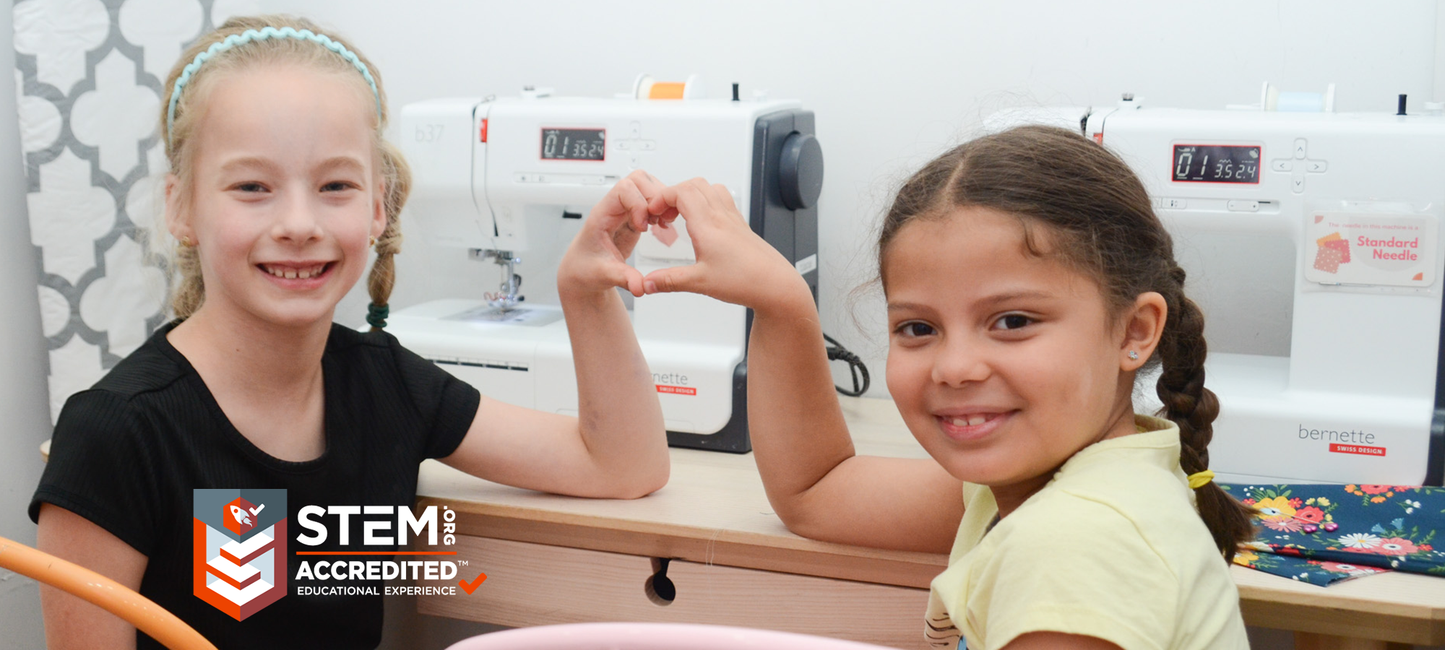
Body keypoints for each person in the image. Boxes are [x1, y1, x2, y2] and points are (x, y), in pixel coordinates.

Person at [30, 15, 670, 649]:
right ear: (181, 206)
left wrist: (587, 294)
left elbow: (621, 463)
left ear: (376, 208)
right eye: (252, 186)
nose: (299, 222)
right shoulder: (117, 432)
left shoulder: (385, 384)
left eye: (335, 185)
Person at [640, 125, 1254, 649]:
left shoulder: (1074, 544)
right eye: (918, 327)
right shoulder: (1070, 479)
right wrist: (779, 298)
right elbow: (816, 493)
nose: (954, 367)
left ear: (1135, 331)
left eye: (1012, 321)